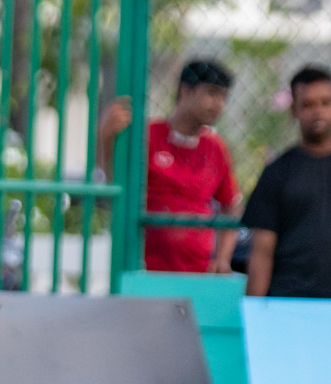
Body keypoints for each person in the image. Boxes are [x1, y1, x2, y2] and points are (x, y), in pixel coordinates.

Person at [97, 59, 242, 273]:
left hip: (197, 272)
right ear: (185, 90)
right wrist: (105, 138)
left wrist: (222, 258)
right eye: (212, 93)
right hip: (143, 267)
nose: (219, 104)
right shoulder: (148, 135)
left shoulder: (216, 148)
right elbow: (115, 183)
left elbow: (231, 205)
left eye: (224, 97)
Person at [243, 65, 331, 300]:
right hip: (288, 301)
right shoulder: (277, 172)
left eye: (325, 102)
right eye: (308, 104)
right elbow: (261, 253)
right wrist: (254, 311)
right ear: (294, 110)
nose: (318, 112)